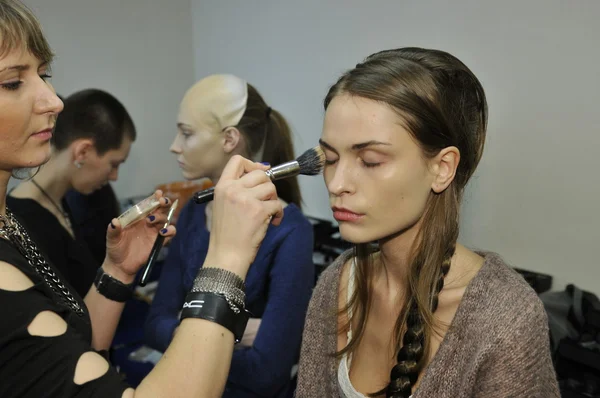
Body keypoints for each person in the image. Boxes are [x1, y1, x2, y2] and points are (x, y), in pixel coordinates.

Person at [0, 1, 283, 396]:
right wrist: (226, 258)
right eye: (12, 82)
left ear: (230, 139)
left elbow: (69, 354)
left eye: (44, 75)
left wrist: (116, 274)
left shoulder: (8, 224)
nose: (54, 101)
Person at [295, 48, 560, 397]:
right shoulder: (337, 285)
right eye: (330, 158)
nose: (336, 182)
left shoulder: (504, 320)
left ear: (442, 168)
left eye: (370, 161)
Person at [145, 74, 315, 397]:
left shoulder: (289, 231)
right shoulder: (195, 212)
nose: (174, 146)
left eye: (186, 133)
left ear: (229, 139)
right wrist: (233, 330)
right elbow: (153, 326)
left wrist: (187, 327)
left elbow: (267, 371)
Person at [8, 88, 134, 297]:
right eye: (113, 164)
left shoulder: (66, 201)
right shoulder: (23, 224)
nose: (114, 177)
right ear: (82, 152)